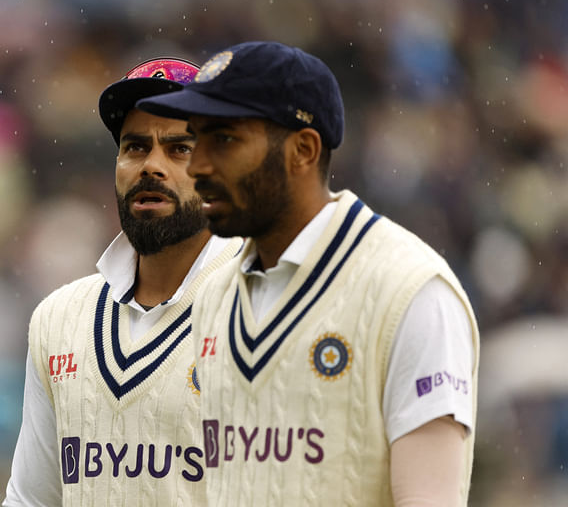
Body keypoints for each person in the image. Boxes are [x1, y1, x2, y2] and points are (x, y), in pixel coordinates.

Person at [137, 41, 479, 506]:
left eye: (225, 140)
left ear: (303, 150)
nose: (197, 166)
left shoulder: (410, 291)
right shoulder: (215, 293)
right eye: (198, 139)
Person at [2, 57, 242, 506]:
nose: (151, 166)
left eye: (179, 149)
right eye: (135, 147)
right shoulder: (60, 318)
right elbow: (32, 499)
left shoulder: (266, 310)